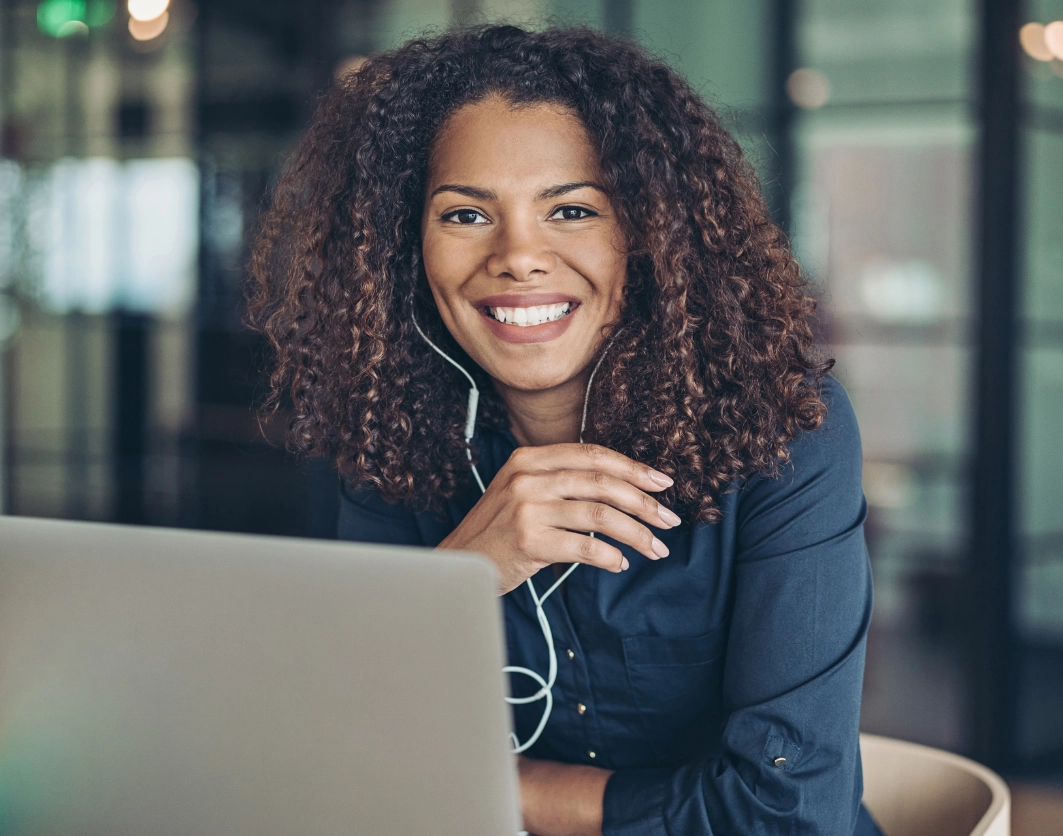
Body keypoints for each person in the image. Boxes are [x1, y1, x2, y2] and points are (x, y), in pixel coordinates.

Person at [247, 24, 882, 836]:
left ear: (649, 235)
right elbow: (338, 753)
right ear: (408, 249)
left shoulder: (785, 435)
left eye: (572, 209)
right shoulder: (393, 437)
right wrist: (463, 579)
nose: (519, 255)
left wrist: (504, 788)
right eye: (467, 213)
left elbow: (789, 815)